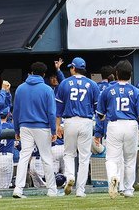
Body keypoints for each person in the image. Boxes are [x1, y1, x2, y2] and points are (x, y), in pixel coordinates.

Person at [95, 61, 139, 199]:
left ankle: (113, 177)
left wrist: (99, 129)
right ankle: (128, 189)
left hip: (114, 124)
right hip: (131, 125)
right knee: (129, 159)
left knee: (112, 158)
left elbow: (99, 115)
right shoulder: (135, 91)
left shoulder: (107, 91)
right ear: (130, 75)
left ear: (116, 73)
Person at [11, 62, 59, 198]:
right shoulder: (47, 89)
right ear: (43, 74)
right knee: (46, 158)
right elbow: (51, 113)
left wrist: (16, 129)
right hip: (42, 127)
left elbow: (15, 112)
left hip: (25, 126)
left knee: (24, 156)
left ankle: (18, 189)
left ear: (31, 72)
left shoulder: (20, 88)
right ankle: (52, 190)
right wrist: (54, 130)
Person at [56, 59, 98, 197]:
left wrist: (57, 125)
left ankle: (70, 177)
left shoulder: (65, 83)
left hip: (70, 121)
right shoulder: (92, 84)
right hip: (86, 121)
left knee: (69, 154)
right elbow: (98, 108)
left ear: (74, 68)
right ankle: (80, 190)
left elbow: (59, 108)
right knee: (84, 157)